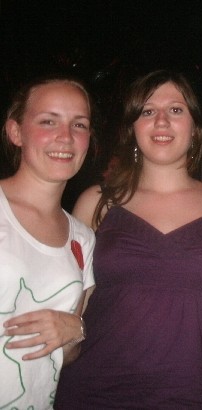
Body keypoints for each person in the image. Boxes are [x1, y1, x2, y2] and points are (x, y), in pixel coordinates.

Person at [54, 70, 202, 408]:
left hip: (187, 395)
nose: (161, 121)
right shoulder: (97, 203)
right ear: (133, 127)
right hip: (93, 392)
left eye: (175, 110)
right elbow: (69, 303)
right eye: (148, 111)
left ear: (195, 127)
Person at [0, 76, 95, 409]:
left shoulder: (82, 238)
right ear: (16, 132)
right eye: (48, 121)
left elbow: (65, 354)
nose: (65, 137)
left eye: (79, 124)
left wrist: (76, 329)